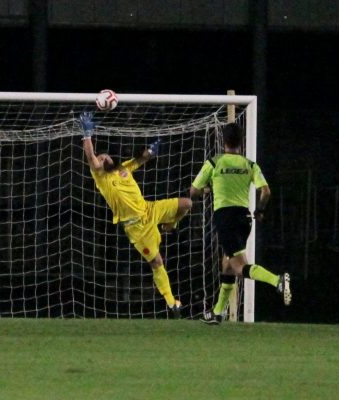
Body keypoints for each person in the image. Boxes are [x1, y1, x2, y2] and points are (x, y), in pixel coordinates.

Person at [79, 111, 192, 318]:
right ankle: (172, 302)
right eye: (101, 157)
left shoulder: (124, 168)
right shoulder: (101, 177)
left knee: (187, 203)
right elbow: (91, 157)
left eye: (105, 155)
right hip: (136, 227)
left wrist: (153, 148)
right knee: (157, 262)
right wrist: (87, 134)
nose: (103, 158)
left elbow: (143, 158)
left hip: (150, 209)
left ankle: (171, 225)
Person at [189, 122, 291, 325]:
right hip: (244, 219)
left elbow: (193, 191)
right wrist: (260, 210)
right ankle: (218, 313)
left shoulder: (214, 162)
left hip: (225, 218)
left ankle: (277, 280)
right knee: (227, 264)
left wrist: (207, 190)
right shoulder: (250, 164)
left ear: (223, 141)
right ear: (241, 142)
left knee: (237, 267)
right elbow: (266, 191)